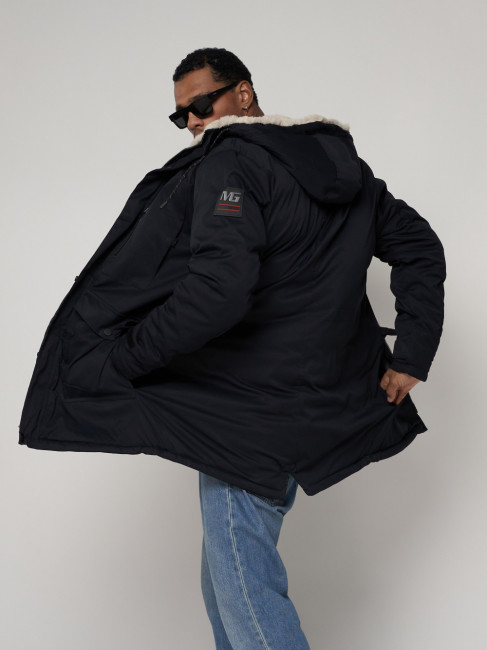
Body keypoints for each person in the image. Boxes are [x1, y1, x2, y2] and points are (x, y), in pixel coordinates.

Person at [18, 47, 446, 649]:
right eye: (181, 115)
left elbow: (217, 293)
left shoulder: (233, 160)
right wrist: (411, 354)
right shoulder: (338, 164)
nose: (193, 122)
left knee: (245, 597)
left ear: (243, 94)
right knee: (226, 587)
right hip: (310, 405)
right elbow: (420, 245)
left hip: (246, 420)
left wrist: (123, 359)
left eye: (201, 104)